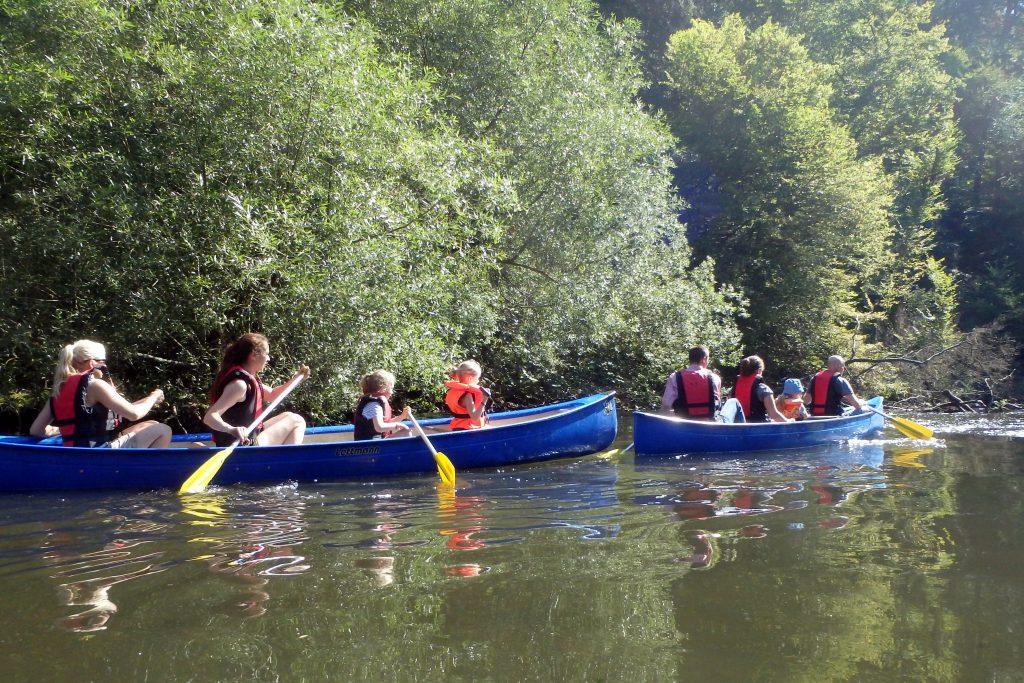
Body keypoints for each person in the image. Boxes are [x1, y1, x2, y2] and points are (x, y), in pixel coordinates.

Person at [30, 340, 171, 448]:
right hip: (98, 450)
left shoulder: (59, 389)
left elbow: (36, 430)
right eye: (103, 363)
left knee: (151, 424)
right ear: (92, 363)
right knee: (163, 430)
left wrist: (63, 429)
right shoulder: (96, 385)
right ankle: (143, 477)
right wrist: (154, 397)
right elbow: (134, 414)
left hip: (76, 449)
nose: (104, 368)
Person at [204, 333, 308, 447]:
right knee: (297, 420)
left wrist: (296, 380)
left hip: (249, 438)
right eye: (267, 354)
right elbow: (210, 417)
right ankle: (285, 463)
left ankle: (282, 461)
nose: (268, 358)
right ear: (253, 355)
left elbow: (273, 394)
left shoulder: (248, 379)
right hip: (241, 446)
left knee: (288, 416)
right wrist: (231, 429)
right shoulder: (239, 385)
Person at [660, 346, 722, 420]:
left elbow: (666, 404)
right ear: (704, 359)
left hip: (685, 423)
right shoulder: (714, 378)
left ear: (690, 359)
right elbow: (717, 404)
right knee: (733, 402)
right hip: (709, 424)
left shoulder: (675, 377)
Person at [353, 370, 412, 440]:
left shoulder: (376, 404)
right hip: (369, 446)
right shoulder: (374, 405)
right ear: (383, 388)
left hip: (377, 442)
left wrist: (402, 416)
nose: (392, 392)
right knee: (406, 433)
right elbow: (379, 427)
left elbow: (386, 423)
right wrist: (397, 425)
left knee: (406, 432)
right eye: (391, 389)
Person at [732, 355, 790, 423]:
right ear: (759, 371)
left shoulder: (735, 386)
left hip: (738, 428)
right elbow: (773, 414)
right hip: (758, 428)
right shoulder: (763, 389)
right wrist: (789, 422)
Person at [445, 360, 489, 430]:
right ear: (470, 378)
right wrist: (485, 399)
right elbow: (474, 418)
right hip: (468, 429)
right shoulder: (467, 396)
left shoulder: (456, 390)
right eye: (477, 378)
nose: (478, 381)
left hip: (458, 426)